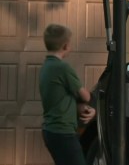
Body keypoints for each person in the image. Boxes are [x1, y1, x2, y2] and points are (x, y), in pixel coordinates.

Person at [39, 24, 96, 165]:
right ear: (65, 46)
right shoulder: (63, 68)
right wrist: (93, 104)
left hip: (50, 131)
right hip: (63, 133)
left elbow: (61, 100)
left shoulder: (46, 67)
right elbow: (86, 96)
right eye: (70, 43)